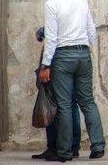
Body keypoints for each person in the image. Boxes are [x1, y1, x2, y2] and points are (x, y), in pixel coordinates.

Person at [36, 0, 106, 162]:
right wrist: (86, 52)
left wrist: (45, 65)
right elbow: (91, 31)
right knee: (87, 102)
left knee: (65, 105)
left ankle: (64, 151)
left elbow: (52, 38)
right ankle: (98, 145)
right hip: (83, 54)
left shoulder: (51, 4)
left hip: (63, 57)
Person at [32, 26, 80, 160]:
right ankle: (73, 146)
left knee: (52, 101)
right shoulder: (80, 6)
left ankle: (56, 146)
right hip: (77, 56)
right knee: (71, 103)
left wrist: (41, 32)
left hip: (57, 56)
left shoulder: (56, 5)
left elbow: (53, 30)